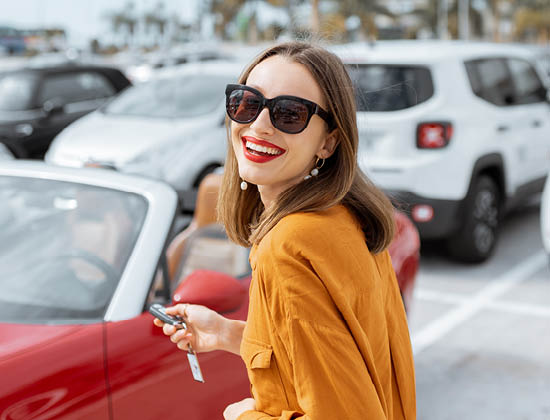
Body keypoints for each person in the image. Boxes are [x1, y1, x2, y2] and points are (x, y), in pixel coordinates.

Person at [153, 41, 416, 420]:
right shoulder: (343, 219)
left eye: (289, 114)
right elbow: (342, 363)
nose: (258, 125)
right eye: (246, 103)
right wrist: (227, 334)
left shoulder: (290, 246)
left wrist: (244, 416)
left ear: (328, 142)